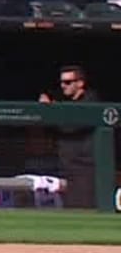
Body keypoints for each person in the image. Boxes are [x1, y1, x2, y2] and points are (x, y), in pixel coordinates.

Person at [41, 65, 99, 210]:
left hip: (85, 168)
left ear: (80, 83)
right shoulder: (65, 101)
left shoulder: (91, 101)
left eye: (67, 82)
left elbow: (72, 127)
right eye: (61, 82)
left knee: (84, 209)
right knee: (68, 209)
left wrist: (52, 110)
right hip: (66, 166)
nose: (63, 86)